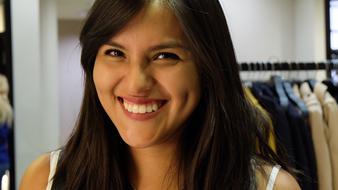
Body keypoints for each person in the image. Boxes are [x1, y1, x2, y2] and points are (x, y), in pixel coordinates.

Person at [20, 0, 301, 189]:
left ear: (208, 67)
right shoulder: (45, 179)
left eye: (165, 56)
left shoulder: (271, 186)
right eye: (115, 53)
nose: (136, 83)